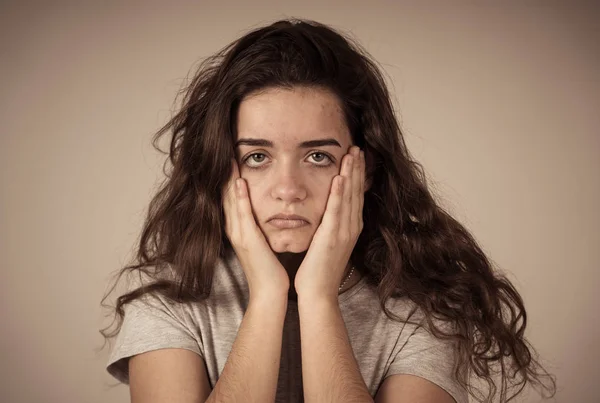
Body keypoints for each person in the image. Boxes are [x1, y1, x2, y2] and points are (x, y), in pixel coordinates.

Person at [99, 18, 556, 403]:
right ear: (222, 168)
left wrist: (317, 297)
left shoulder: (422, 311)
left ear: (366, 170)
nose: (288, 189)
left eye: (317, 156)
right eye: (257, 157)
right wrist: (268, 297)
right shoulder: (168, 302)